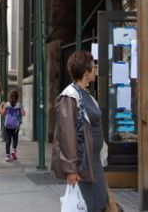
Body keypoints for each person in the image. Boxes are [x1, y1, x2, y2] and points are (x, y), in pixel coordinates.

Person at [51, 51, 107, 212]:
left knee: (99, 203)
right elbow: (67, 135)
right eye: (93, 67)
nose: (95, 69)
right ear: (86, 72)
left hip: (94, 161)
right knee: (87, 205)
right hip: (82, 166)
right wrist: (71, 170)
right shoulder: (70, 96)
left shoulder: (86, 95)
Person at [0, 89, 25, 162]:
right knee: (15, 138)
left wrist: (0, 106)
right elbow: (23, 113)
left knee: (8, 140)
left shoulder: (6, 104)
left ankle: (7, 156)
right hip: (16, 125)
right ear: (17, 97)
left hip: (7, 125)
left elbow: (2, 113)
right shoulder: (19, 104)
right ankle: (13, 150)